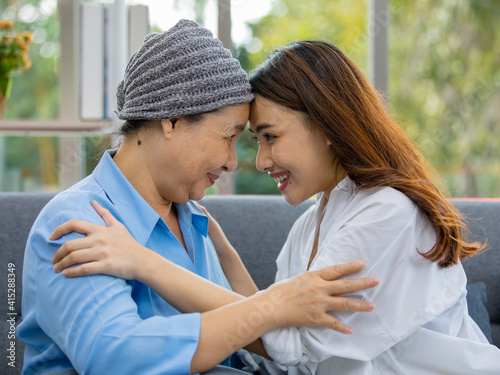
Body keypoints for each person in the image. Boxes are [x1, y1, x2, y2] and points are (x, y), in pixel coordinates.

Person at [50, 39, 500, 374]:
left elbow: (288, 343)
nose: (253, 161)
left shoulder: (387, 212)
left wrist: (145, 262)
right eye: (242, 140)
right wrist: (225, 252)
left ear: (325, 123)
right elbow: (269, 333)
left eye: (269, 137)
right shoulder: (310, 223)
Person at [17, 21, 378, 375]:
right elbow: (115, 358)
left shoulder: (194, 221)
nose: (233, 162)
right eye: (229, 137)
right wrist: (274, 304)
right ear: (172, 120)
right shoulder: (77, 221)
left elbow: (238, 350)